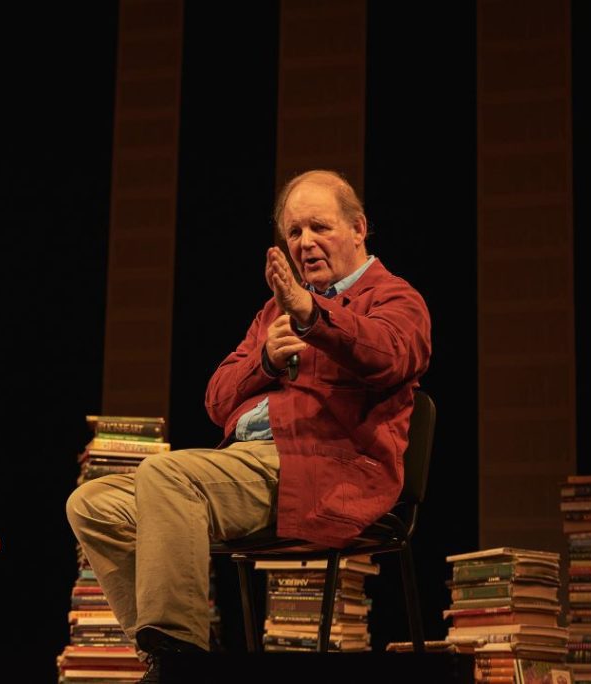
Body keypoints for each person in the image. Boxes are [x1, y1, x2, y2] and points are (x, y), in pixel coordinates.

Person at [66, 170, 431, 681]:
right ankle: (174, 650)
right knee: (93, 504)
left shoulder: (393, 298)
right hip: (247, 466)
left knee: (168, 476)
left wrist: (313, 316)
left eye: (319, 228)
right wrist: (264, 359)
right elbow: (217, 399)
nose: (305, 243)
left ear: (358, 228)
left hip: (325, 469)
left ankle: (181, 663)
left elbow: (391, 356)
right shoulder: (273, 312)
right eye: (295, 232)